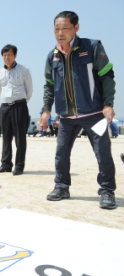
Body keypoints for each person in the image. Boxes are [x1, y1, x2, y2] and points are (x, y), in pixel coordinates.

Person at [40, 11, 117, 209]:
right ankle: (62, 187)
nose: (60, 33)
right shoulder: (52, 56)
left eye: (65, 28)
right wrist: (46, 110)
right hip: (66, 117)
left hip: (94, 115)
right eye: (57, 29)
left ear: (76, 28)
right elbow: (49, 85)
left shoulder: (91, 47)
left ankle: (107, 191)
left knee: (103, 153)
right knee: (61, 153)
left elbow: (107, 75)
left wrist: (108, 103)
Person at [0, 44, 33, 176]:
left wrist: (21, 102)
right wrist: (7, 102)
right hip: (5, 107)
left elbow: (29, 90)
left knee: (20, 138)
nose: (7, 57)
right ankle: (6, 164)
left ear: (15, 55)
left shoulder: (24, 70)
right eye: (4, 55)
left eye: (10, 55)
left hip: (19, 105)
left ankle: (19, 165)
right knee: (5, 137)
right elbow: (1, 89)